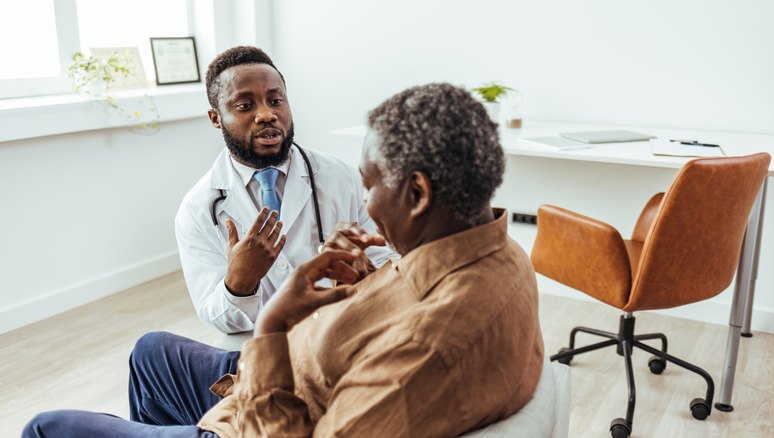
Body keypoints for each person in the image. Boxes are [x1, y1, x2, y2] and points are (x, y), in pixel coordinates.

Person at [23, 83, 545, 438]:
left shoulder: (426, 353)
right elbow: (406, 299)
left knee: (46, 427)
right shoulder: (496, 248)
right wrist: (363, 278)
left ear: (417, 193)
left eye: (370, 188)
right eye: (246, 104)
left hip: (273, 407)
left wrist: (274, 325)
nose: (364, 206)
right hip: (302, 369)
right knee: (150, 349)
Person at [175, 45, 395, 334]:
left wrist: (363, 269)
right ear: (216, 118)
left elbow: (393, 270)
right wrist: (240, 281)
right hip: (263, 344)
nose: (267, 114)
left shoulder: (344, 176)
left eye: (276, 100)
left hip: (344, 332)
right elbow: (216, 317)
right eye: (245, 106)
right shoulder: (197, 208)